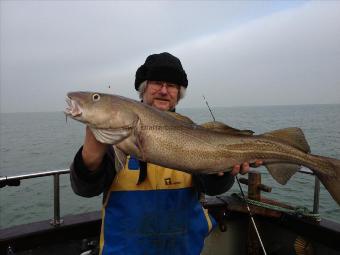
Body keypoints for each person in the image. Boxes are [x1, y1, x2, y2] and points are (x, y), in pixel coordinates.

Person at [70, 52, 260, 255]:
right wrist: (89, 158)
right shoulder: (112, 139)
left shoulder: (194, 133)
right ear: (143, 90)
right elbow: (85, 189)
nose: (164, 90)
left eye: (171, 85)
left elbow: (212, 188)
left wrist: (222, 172)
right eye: (157, 83)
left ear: (178, 93)